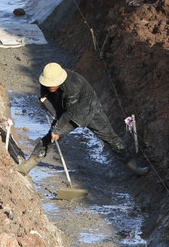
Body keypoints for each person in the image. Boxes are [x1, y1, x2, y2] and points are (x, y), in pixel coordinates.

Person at [17, 62, 148, 176]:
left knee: (110, 138)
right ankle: (27, 166)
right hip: (65, 107)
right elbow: (45, 92)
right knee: (49, 138)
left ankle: (135, 168)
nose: (50, 87)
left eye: (53, 85)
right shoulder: (47, 80)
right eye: (48, 84)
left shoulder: (72, 86)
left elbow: (71, 112)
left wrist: (58, 130)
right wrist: (43, 100)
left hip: (88, 109)